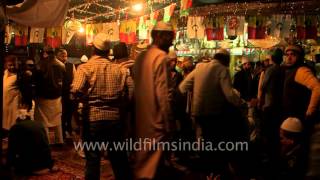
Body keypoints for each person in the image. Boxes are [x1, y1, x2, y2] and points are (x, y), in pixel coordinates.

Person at [71, 33, 133, 180]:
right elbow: (131, 94)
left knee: (93, 160)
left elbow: (74, 92)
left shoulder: (85, 68)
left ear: (93, 49)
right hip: (115, 120)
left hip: (93, 119)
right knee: (119, 159)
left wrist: (86, 100)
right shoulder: (121, 70)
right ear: (108, 51)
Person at [179, 49, 248, 179]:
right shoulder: (222, 69)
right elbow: (229, 94)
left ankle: (205, 170)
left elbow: (183, 86)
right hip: (214, 113)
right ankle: (214, 172)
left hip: (197, 111)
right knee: (215, 142)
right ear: (226, 60)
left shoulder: (200, 67)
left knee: (202, 139)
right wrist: (242, 103)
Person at [133, 21, 175, 180]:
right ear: (158, 36)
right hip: (157, 123)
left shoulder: (142, 57)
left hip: (141, 121)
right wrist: (169, 122)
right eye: (169, 37)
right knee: (153, 170)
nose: (171, 42)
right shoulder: (161, 57)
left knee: (142, 165)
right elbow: (162, 95)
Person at [6, 109, 57, 175]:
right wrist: (49, 163)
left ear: (17, 119)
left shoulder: (15, 127)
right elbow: (46, 144)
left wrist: (8, 165)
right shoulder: (39, 124)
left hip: (32, 164)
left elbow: (11, 149)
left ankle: (31, 169)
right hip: (45, 162)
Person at [34, 46, 65, 144]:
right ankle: (59, 140)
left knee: (43, 121)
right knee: (57, 118)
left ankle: (45, 142)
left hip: (43, 97)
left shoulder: (40, 65)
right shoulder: (61, 65)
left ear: (44, 53)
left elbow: (35, 80)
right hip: (57, 96)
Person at [56, 48, 76, 139]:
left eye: (65, 55)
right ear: (57, 56)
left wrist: (72, 92)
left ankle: (69, 129)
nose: (64, 57)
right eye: (62, 55)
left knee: (69, 113)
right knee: (61, 114)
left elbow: (75, 80)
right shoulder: (55, 66)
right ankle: (62, 132)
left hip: (69, 93)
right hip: (58, 94)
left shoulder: (71, 66)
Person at [3, 55, 20, 131]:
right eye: (10, 65)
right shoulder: (5, 73)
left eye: (14, 65)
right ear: (6, 65)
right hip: (4, 103)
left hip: (13, 104)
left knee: (12, 125)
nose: (12, 67)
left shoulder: (19, 76)